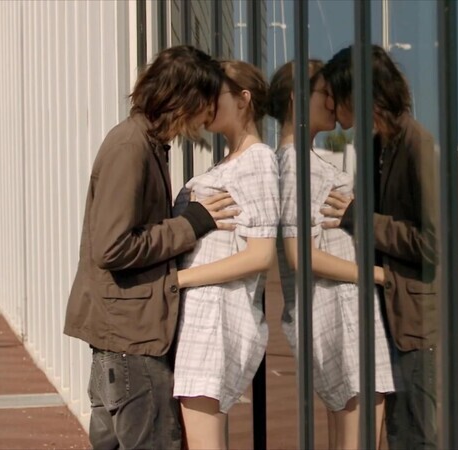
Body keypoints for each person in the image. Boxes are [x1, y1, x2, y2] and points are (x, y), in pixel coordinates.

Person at [63, 45, 238, 450]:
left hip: (123, 336)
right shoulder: (131, 147)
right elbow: (112, 247)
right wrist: (190, 224)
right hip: (131, 341)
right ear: (186, 99)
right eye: (206, 101)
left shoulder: (146, 143)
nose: (209, 114)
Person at [321, 45, 458, 450]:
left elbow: (447, 245)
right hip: (396, 313)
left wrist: (361, 219)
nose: (331, 106)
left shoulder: (421, 148)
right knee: (400, 431)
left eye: (335, 95)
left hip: (420, 320)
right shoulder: (380, 146)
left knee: (416, 434)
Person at [269, 60, 394, 450]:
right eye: (325, 93)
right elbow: (300, 254)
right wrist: (378, 275)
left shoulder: (298, 161)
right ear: (297, 98)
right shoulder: (295, 165)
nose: (333, 101)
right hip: (339, 313)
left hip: (337, 311)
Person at [171, 60, 277, 450]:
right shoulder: (230, 163)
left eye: (214, 94)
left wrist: (178, 280)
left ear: (243, 100)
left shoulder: (258, 161)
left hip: (215, 319)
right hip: (201, 317)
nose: (205, 103)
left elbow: (261, 254)